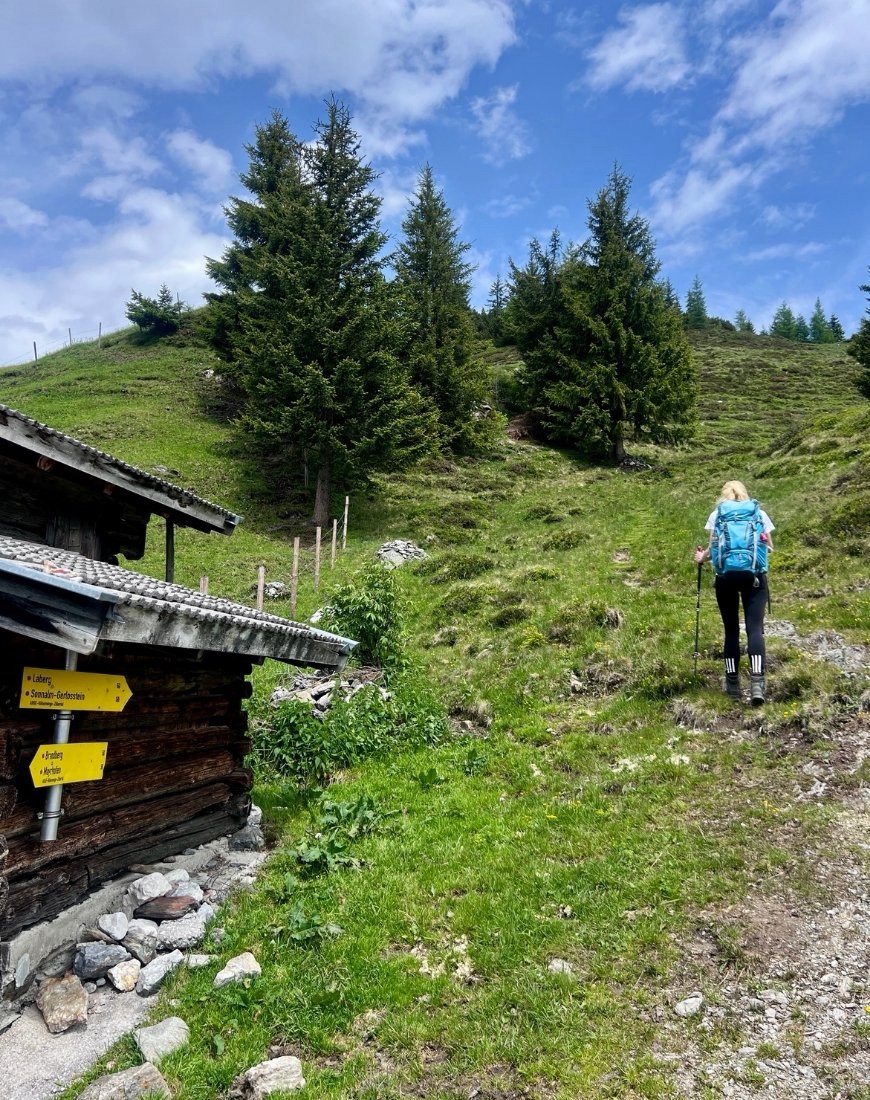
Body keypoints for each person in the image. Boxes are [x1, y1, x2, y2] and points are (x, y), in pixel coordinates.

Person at [693, 480, 775, 705]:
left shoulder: (717, 515)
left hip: (725, 579)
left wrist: (701, 557)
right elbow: (768, 547)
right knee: (755, 629)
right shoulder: (759, 514)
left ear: (723, 496)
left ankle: (732, 685)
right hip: (755, 578)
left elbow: (713, 550)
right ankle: (757, 684)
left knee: (730, 631)